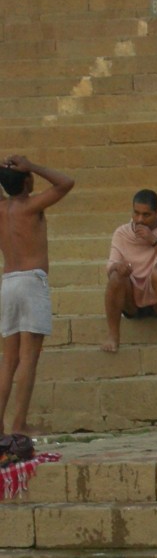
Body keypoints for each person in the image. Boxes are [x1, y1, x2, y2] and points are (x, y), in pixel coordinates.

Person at [0, 155, 73, 436]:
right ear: (28, 181)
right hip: (31, 282)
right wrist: (32, 166)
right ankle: (19, 424)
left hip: (8, 282)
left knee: (9, 359)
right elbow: (67, 182)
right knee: (29, 357)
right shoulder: (31, 206)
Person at [103, 189, 157, 352]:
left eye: (146, 215)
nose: (140, 219)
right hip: (132, 300)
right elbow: (111, 264)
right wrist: (119, 268)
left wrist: (154, 241)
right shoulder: (122, 233)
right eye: (136, 213)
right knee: (115, 278)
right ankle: (113, 336)